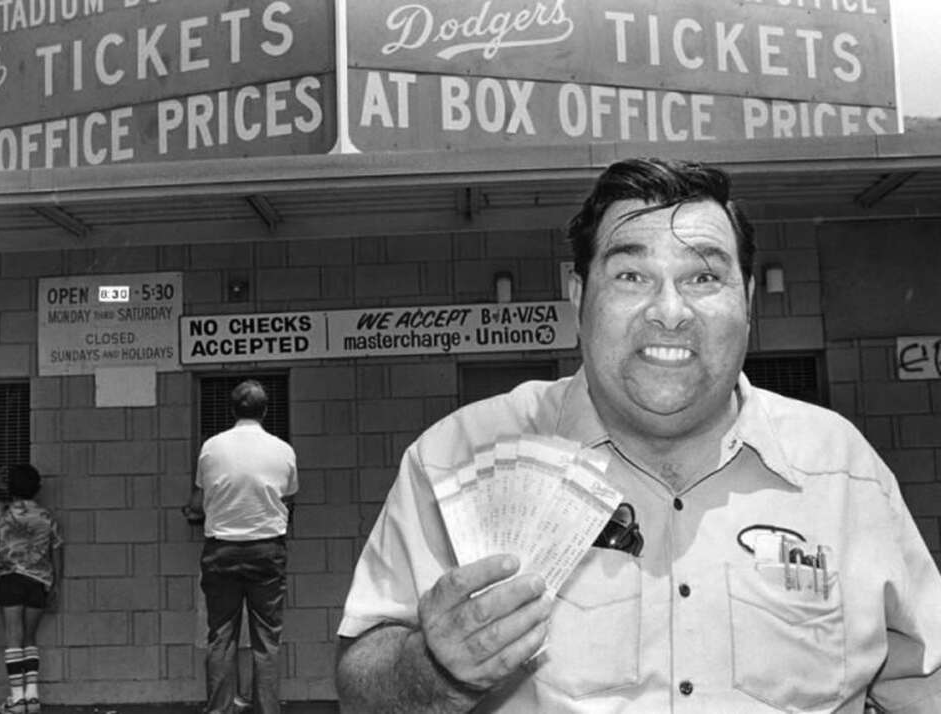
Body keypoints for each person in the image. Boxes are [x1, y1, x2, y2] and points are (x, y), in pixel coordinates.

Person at [334, 157, 941, 712]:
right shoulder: (456, 457)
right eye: (630, 275)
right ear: (579, 297)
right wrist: (436, 672)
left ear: (749, 299)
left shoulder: (841, 469)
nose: (669, 310)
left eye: (703, 278)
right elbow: (361, 680)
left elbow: (923, 681)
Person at [184, 380, 298, 714]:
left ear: (233, 410)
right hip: (267, 551)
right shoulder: (283, 450)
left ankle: (220, 709)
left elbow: (198, 502)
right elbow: (288, 498)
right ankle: (267, 710)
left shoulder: (211, 448)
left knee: (221, 635)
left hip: (222, 552)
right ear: (265, 410)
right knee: (267, 640)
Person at [0, 464, 63, 714]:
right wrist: (56, 584)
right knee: (30, 639)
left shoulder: (2, 517)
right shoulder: (47, 517)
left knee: (13, 640)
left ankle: (17, 700)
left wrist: (2, 562)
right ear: (37, 489)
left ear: (11, 489)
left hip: (10, 581)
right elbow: (57, 550)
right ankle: (32, 697)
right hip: (39, 581)